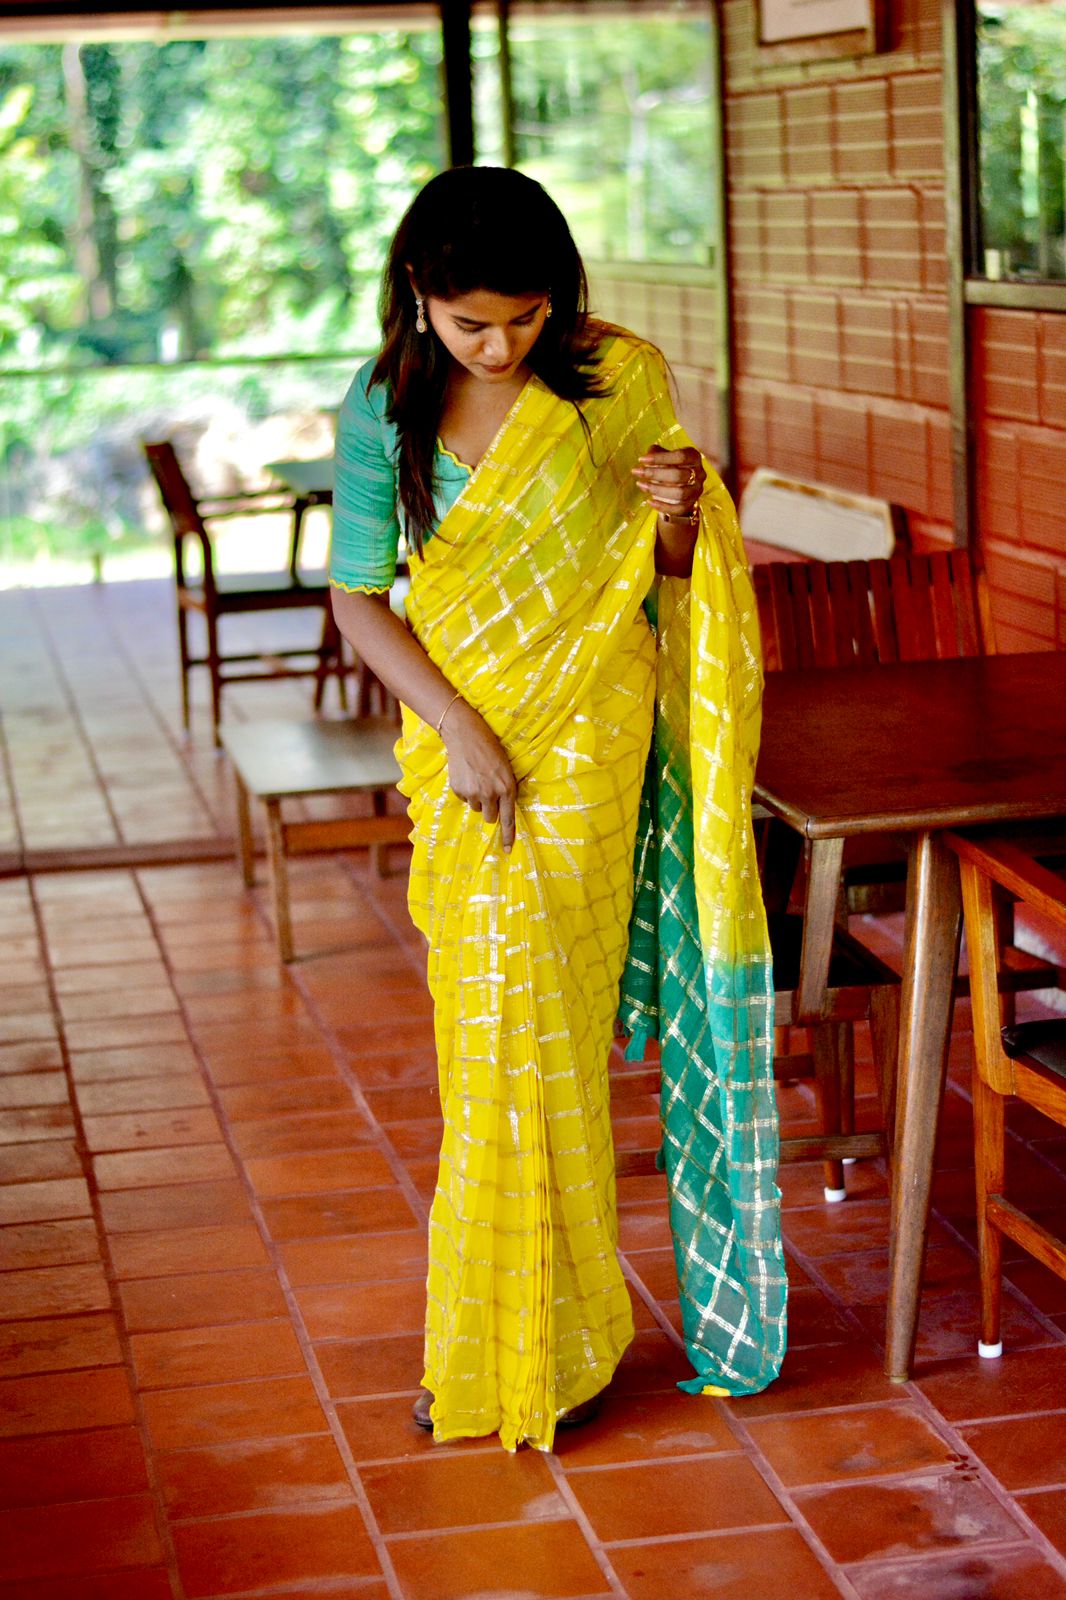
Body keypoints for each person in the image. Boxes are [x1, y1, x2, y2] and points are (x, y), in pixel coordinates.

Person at [329, 165, 786, 1453]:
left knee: (549, 1035)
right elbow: (362, 595)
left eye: (525, 318)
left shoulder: (616, 379)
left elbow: (665, 578)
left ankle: (553, 1349)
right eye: (473, 321)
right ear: (418, 296)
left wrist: (691, 523)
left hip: (591, 735)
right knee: (489, 1047)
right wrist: (457, 725)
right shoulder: (381, 412)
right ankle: (513, 1336)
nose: (501, 344)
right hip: (462, 745)